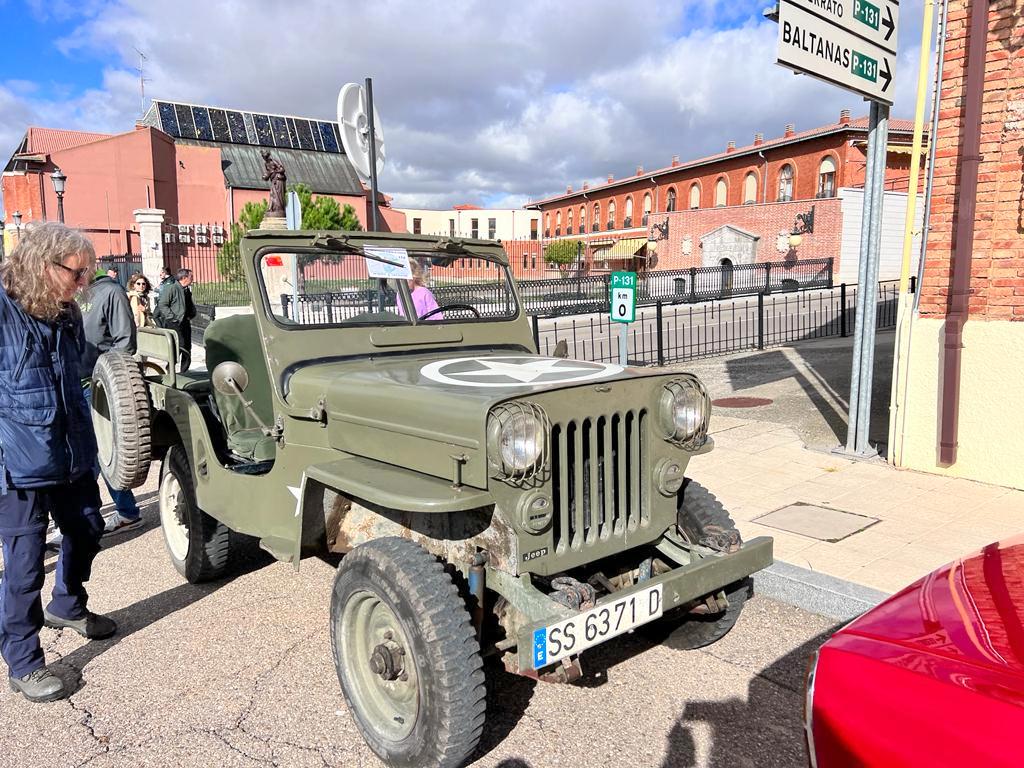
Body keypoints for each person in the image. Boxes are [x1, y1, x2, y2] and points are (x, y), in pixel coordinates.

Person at [0, 222, 117, 703]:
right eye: (77, 272)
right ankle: (24, 661)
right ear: (45, 266)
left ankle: (67, 604)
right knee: (25, 567)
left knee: (89, 527)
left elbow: (82, 367)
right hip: (18, 465)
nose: (85, 282)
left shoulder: (65, 313)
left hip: (70, 454)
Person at [78, 268, 144, 536]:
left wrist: (102, 374)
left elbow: (125, 342)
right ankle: (89, 515)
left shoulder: (111, 292)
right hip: (76, 381)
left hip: (97, 385)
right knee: (89, 454)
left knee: (100, 452)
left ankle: (122, 513)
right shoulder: (78, 293)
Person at [154, 268, 196, 372]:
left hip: (185, 322)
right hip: (174, 322)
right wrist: (171, 317)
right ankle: (170, 369)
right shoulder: (172, 288)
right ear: (184, 278)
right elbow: (162, 304)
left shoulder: (186, 290)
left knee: (187, 347)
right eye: (191, 276)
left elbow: (188, 304)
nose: (193, 279)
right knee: (179, 347)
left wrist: (192, 314)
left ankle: (184, 372)